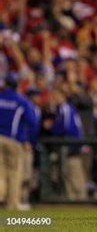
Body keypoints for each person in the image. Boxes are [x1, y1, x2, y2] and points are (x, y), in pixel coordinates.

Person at [0, 74, 36, 210]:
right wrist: (25, 138)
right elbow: (32, 121)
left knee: (0, 171)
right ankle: (12, 203)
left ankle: (1, 197)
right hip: (12, 139)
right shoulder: (21, 101)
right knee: (14, 172)